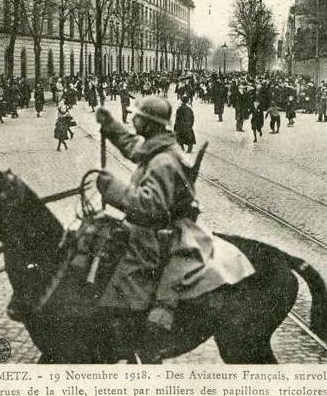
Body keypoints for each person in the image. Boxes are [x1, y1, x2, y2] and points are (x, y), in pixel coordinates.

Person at [95, 98, 254, 362]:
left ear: (149, 124)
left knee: (125, 278)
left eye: (137, 118)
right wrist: (110, 126)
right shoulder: (159, 148)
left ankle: (142, 335)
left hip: (162, 234)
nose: (133, 121)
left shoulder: (163, 162)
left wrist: (114, 190)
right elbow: (135, 148)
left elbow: (150, 207)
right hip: (163, 228)